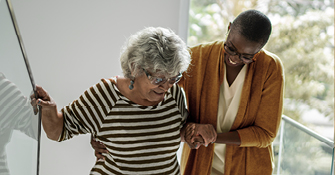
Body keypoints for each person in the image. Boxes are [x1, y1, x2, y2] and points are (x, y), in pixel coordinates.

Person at [91, 9, 284, 175]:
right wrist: (104, 132)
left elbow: (265, 133)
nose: (234, 58)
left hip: (249, 168)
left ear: (259, 51)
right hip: (200, 164)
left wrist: (213, 136)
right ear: (229, 28)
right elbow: (146, 86)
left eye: (246, 57)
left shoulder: (270, 68)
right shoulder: (198, 58)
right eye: (230, 48)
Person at [32, 27, 197, 175]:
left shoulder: (174, 94)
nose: (166, 86)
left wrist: (193, 133)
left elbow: (173, 134)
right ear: (135, 67)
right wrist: (50, 109)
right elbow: (59, 131)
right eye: (158, 79)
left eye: (173, 78)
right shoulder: (105, 96)